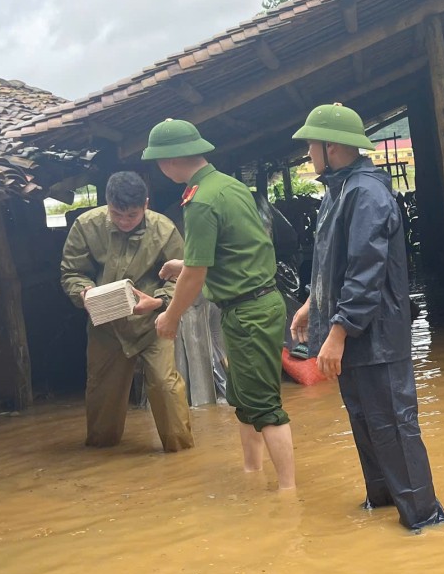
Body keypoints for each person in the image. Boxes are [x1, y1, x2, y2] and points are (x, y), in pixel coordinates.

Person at [288, 104, 444, 531]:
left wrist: (338, 331)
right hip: (353, 333)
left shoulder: (366, 193)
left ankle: (424, 517)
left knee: (394, 424)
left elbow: (365, 270)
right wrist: (312, 305)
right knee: (365, 421)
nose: (307, 153)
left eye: (310, 145)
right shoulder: (339, 190)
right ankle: (382, 503)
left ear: (332, 145)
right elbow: (331, 262)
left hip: (373, 334)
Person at [143, 119, 297, 490]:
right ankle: (252, 473)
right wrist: (185, 265)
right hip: (254, 304)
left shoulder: (200, 201)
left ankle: (288, 493)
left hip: (249, 312)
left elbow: (196, 276)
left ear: (168, 161)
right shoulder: (229, 186)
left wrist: (170, 316)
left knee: (264, 406)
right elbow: (236, 250)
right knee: (241, 398)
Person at [60, 171, 193, 452]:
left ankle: (180, 449)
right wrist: (83, 293)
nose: (123, 222)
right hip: (105, 325)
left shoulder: (164, 230)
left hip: (153, 322)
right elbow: (72, 272)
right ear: (107, 204)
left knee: (165, 386)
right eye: (116, 214)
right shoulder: (86, 225)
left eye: (131, 215)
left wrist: (158, 302)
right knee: (102, 395)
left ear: (145, 204)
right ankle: (101, 456)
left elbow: (184, 278)